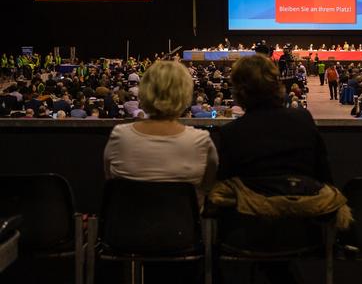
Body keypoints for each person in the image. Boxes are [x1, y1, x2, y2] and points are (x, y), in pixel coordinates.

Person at [212, 55, 348, 284]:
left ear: (238, 90)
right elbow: (325, 177)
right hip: (304, 230)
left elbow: (223, 193)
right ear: (276, 84)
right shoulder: (303, 120)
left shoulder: (231, 133)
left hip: (249, 235)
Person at [104, 60, 218, 204]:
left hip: (128, 223)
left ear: (145, 91)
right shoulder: (201, 141)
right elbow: (206, 188)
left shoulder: (119, 136)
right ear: (184, 94)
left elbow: (110, 181)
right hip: (183, 223)